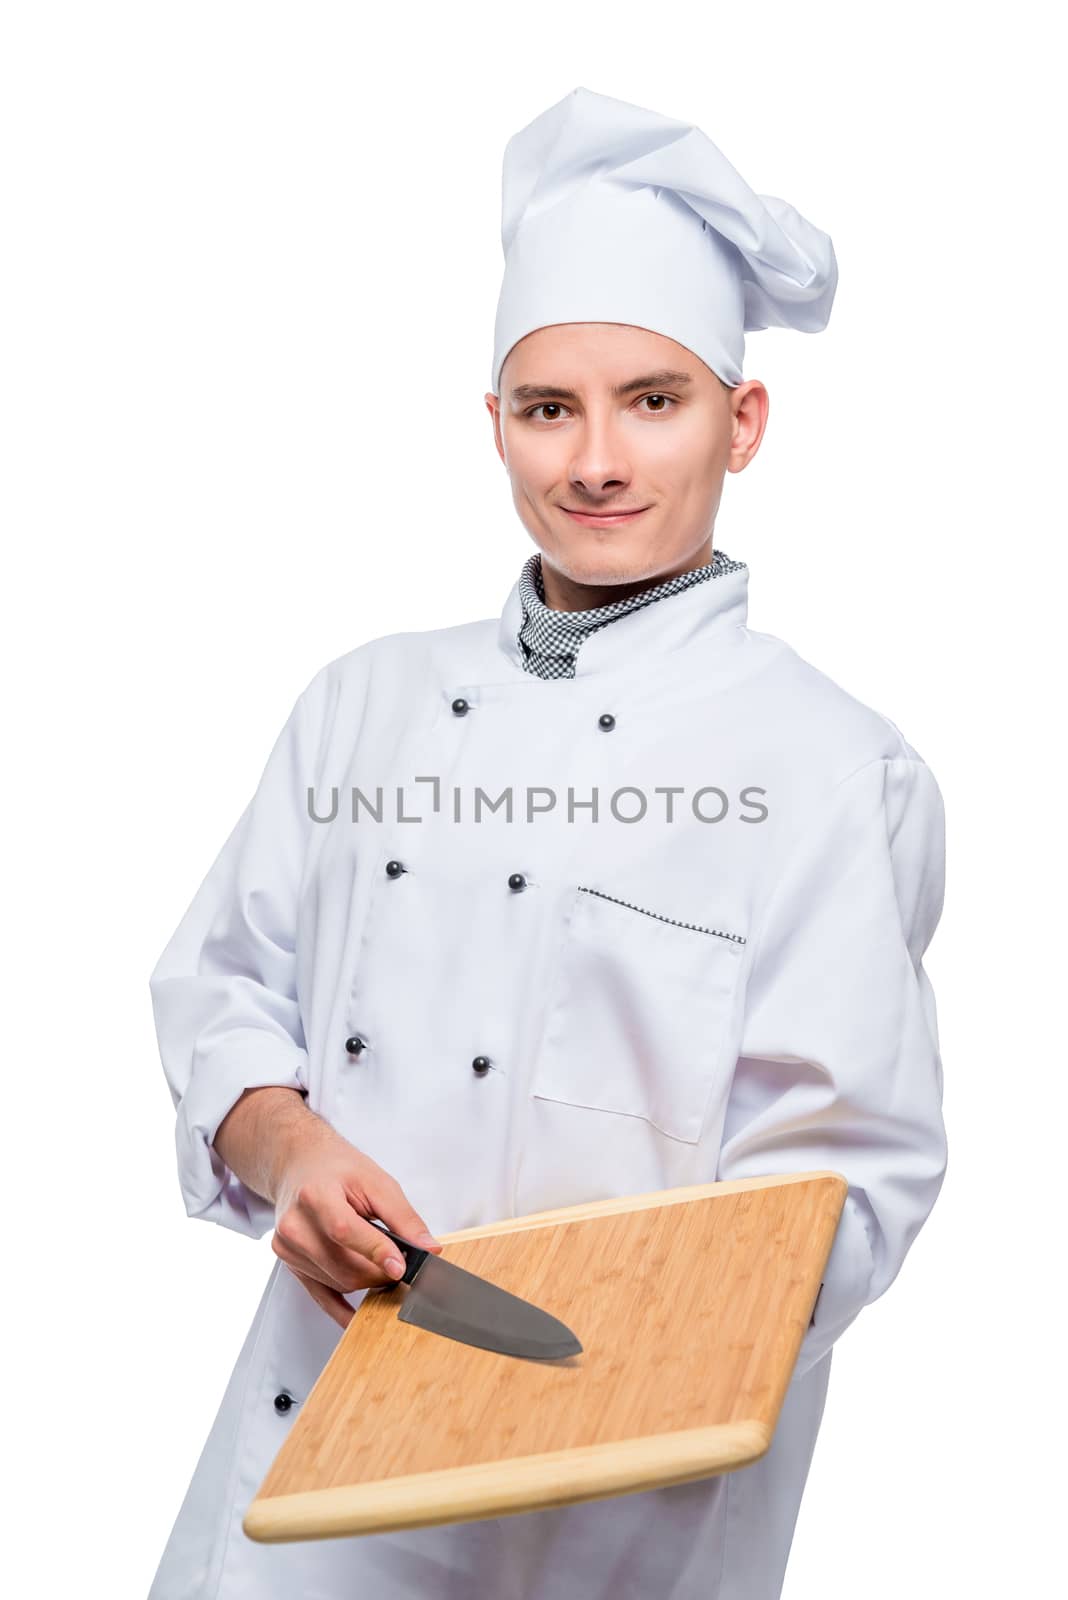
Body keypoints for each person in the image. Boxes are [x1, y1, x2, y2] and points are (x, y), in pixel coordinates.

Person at [147, 85, 947, 1599]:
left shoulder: (835, 770)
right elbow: (220, 994)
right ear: (493, 424)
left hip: (603, 1521)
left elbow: (842, 1186)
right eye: (548, 407)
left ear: (744, 420)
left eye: (655, 401)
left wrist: (613, 1365)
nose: (597, 461)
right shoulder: (363, 704)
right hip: (298, 1480)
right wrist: (289, 1144)